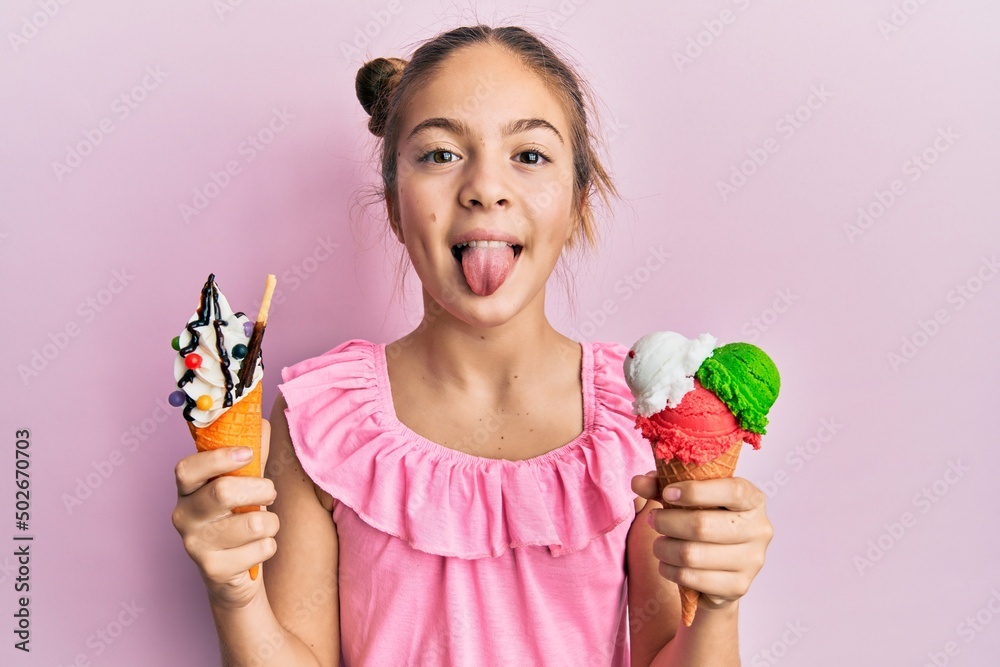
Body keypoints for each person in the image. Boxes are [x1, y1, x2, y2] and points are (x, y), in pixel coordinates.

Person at [171, 23, 773, 666]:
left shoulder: (642, 417)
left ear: (577, 202)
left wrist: (717, 603)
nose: (485, 186)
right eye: (439, 154)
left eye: (530, 155)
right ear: (396, 207)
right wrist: (234, 594)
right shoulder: (321, 420)